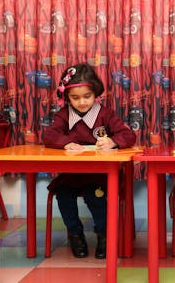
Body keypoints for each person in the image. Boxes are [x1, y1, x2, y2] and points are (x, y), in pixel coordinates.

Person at [43, 63, 136, 259]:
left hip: (100, 175)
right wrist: (65, 142)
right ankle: (75, 234)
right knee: (63, 195)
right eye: (75, 98)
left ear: (96, 94)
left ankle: (104, 236)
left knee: (95, 195)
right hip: (73, 175)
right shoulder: (63, 115)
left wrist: (112, 141)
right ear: (67, 97)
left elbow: (128, 136)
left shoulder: (105, 114)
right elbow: (49, 136)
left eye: (87, 96)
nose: (82, 102)